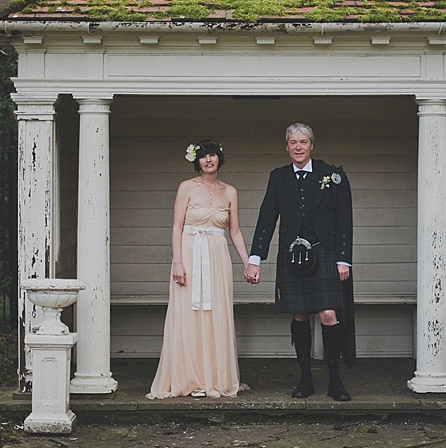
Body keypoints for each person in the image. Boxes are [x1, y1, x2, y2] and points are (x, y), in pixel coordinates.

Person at [244, 123, 355, 401]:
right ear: (287, 146)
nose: (298, 147)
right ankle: (305, 380)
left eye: (303, 142)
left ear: (311, 145)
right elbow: (267, 218)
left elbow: (344, 220)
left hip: (326, 253)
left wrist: (344, 259)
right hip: (292, 256)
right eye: (293, 142)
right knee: (299, 315)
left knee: (329, 314)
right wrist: (255, 258)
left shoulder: (331, 174)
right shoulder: (278, 177)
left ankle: (334, 381)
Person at [147, 139, 250, 399]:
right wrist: (178, 262)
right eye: (203, 156)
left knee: (216, 313)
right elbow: (176, 227)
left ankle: (214, 377)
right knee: (188, 314)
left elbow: (234, 231)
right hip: (190, 255)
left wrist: (249, 263)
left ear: (219, 159)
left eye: (213, 155)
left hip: (217, 257)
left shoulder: (230, 192)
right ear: (197, 160)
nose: (209, 160)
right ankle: (188, 377)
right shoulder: (186, 188)